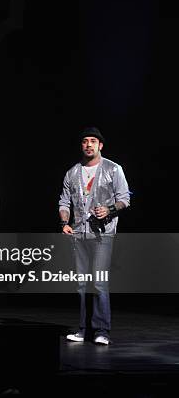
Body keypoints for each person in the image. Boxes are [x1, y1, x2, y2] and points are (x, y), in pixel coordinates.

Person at [59, 126, 130, 345]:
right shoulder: (72, 172)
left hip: (103, 235)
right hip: (79, 233)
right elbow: (64, 201)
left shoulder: (113, 169)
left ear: (100, 145)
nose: (88, 144)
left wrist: (109, 209)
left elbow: (125, 198)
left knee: (98, 282)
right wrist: (64, 222)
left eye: (93, 141)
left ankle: (101, 330)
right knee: (81, 284)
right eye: (85, 141)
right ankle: (83, 329)